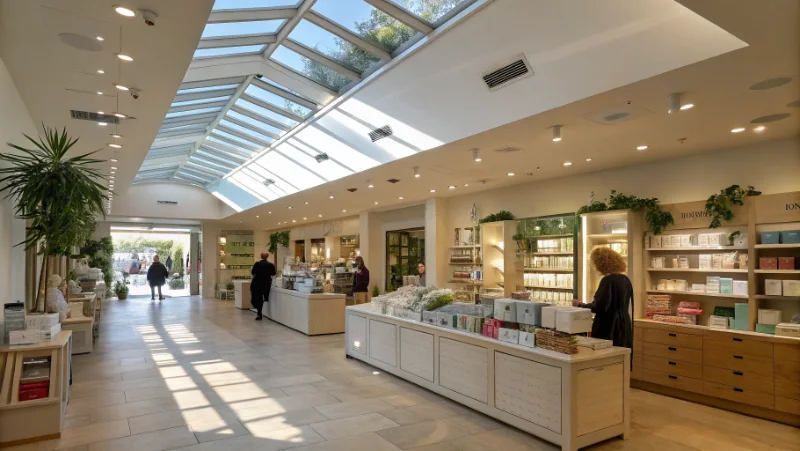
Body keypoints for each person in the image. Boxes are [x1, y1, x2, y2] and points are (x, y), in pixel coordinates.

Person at [573, 247, 634, 354]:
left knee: (604, 359)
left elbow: (599, 307)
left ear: (601, 264)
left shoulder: (607, 281)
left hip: (609, 327)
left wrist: (580, 305)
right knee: (620, 358)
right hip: (624, 324)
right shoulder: (625, 279)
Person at [251, 252, 276, 320]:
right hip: (266, 283)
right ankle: (267, 312)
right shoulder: (271, 265)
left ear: (261, 256)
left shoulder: (257, 264)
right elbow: (273, 273)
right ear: (267, 257)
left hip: (257, 283)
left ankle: (259, 313)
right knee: (266, 297)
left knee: (258, 299)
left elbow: (253, 272)